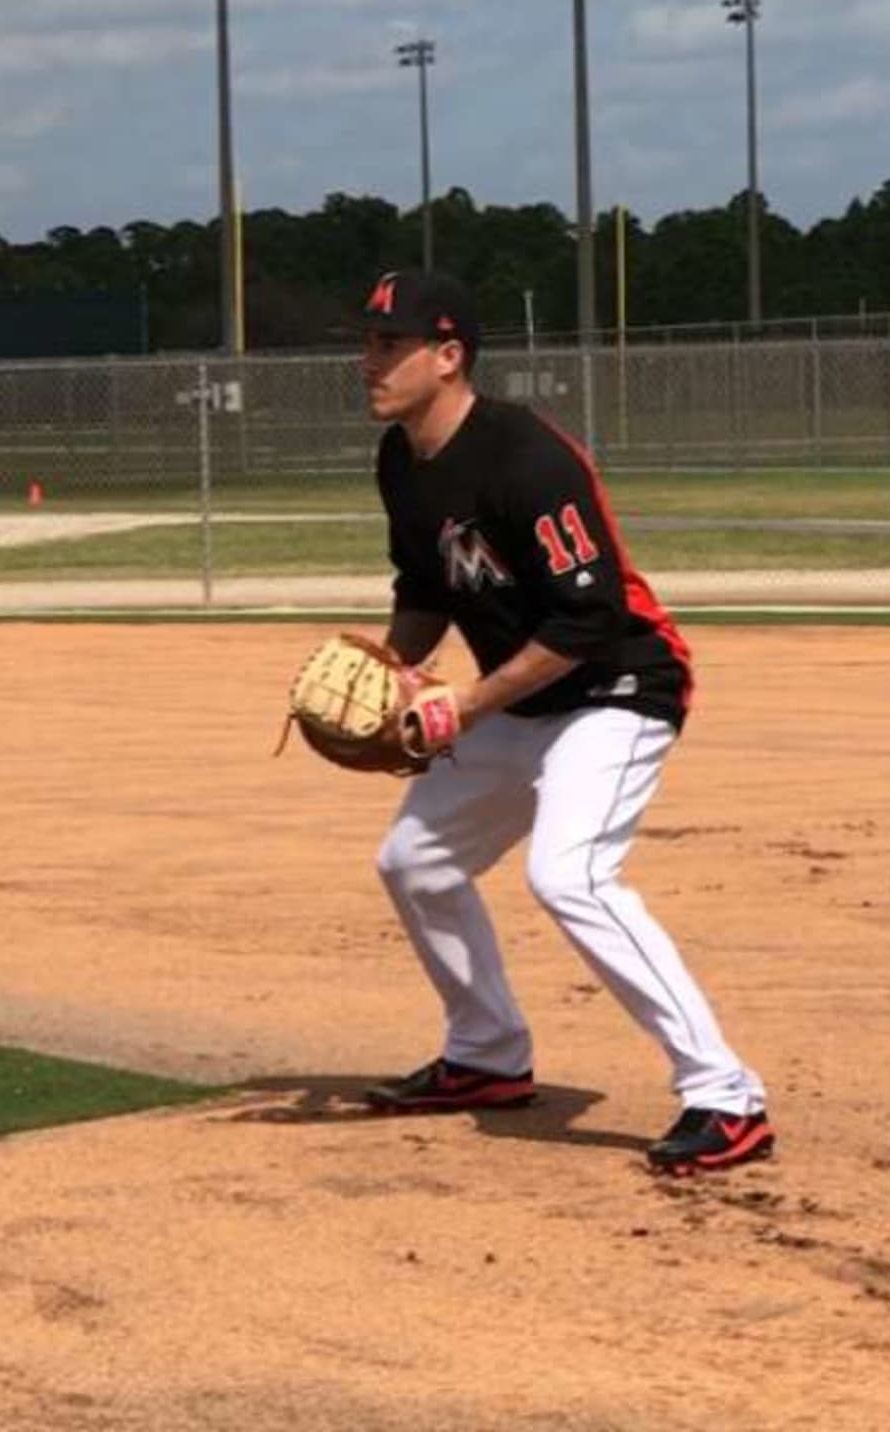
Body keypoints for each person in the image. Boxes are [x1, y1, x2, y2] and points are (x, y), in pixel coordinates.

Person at [350, 266, 774, 1175]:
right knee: (415, 863)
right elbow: (426, 584)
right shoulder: (402, 460)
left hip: (619, 688)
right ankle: (487, 1056)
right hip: (528, 696)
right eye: (371, 341)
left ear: (450, 356)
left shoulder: (526, 458)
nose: (370, 360)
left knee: (569, 873)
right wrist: (395, 671)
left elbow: (587, 622)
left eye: (393, 344)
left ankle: (726, 1096)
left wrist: (460, 702)